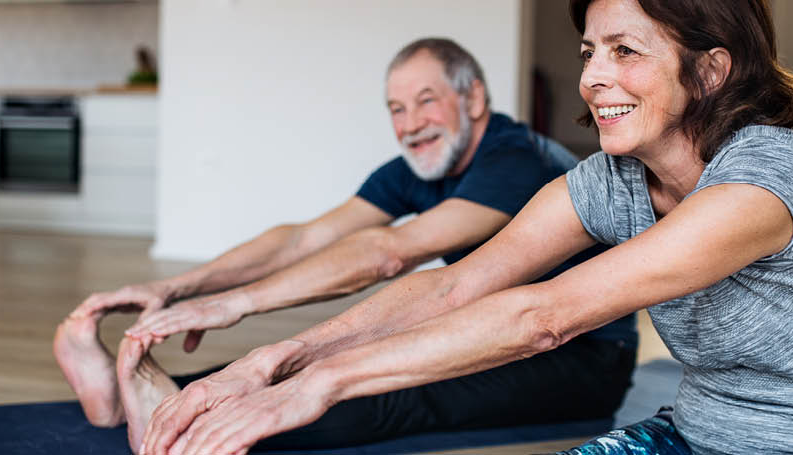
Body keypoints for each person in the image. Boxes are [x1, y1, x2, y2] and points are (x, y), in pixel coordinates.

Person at [134, 1, 793, 454]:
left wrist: (317, 385)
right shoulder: (608, 180)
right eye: (591, 50)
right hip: (700, 435)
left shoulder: (765, 185)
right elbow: (458, 283)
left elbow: (542, 316)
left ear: (709, 70)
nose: (594, 77)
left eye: (625, 51)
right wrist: (277, 357)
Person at [53, 37, 638, 452]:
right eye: (396, 109)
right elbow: (309, 237)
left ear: (475, 100)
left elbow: (390, 251)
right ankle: (170, 400)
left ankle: (180, 416)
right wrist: (177, 287)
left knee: (393, 384)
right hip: (490, 323)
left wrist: (239, 304)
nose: (410, 123)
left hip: (576, 359)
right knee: (336, 354)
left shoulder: (515, 159)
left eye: (426, 100)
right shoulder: (422, 163)